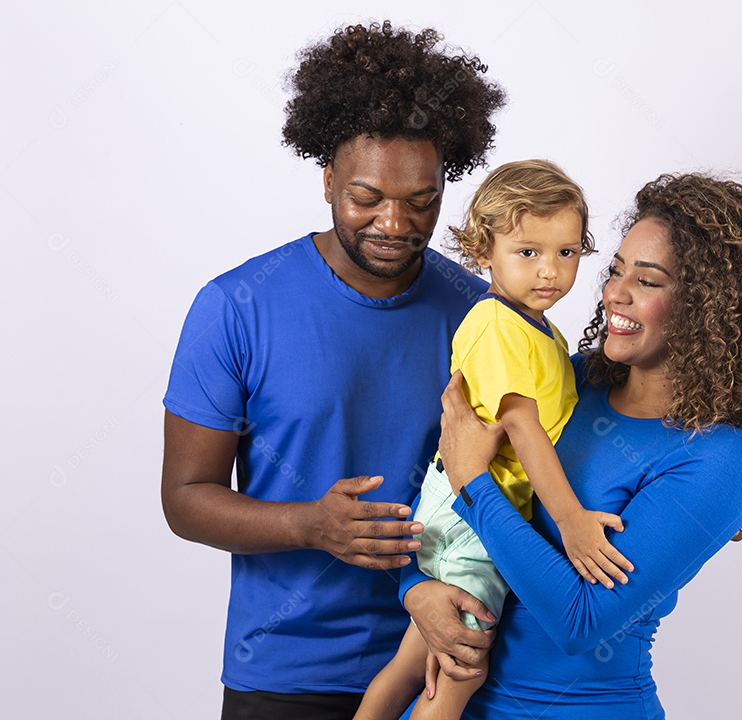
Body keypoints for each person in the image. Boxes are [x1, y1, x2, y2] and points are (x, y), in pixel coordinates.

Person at [160, 21, 508, 719]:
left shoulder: (481, 313)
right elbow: (186, 497)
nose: (395, 222)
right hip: (286, 675)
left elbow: (555, 431)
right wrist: (308, 525)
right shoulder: (237, 307)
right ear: (326, 179)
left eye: (421, 200)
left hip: (445, 662)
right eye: (367, 196)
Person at [408, 172, 742, 718]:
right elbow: (441, 499)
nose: (614, 291)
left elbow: (579, 621)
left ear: (708, 307)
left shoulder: (718, 458)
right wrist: (415, 590)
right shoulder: (573, 382)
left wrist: (476, 485)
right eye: (615, 270)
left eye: (648, 280)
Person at [355, 160, 632, 720]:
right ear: (484, 249)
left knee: (413, 663)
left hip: (464, 504)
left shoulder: (538, 326)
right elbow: (523, 427)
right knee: (462, 668)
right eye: (527, 252)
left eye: (567, 252)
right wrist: (572, 519)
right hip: (471, 513)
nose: (549, 270)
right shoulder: (497, 326)